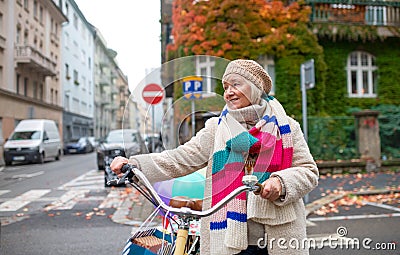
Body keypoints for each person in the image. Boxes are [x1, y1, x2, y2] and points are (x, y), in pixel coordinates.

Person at [111, 59, 319, 255]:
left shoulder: (287, 127)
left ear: (255, 88)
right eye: (225, 87)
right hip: (229, 237)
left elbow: (308, 171)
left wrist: (280, 183)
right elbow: (181, 158)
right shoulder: (216, 128)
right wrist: (135, 164)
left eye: (235, 85)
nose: (228, 93)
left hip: (278, 236)